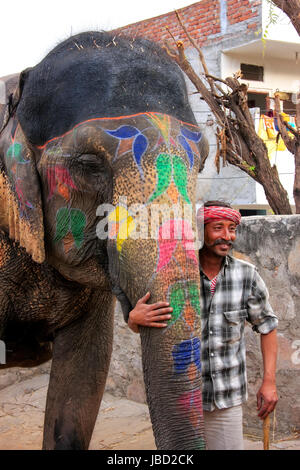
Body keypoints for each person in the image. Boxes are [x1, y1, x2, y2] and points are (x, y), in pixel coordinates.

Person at [128, 200, 278, 450]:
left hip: (225, 400)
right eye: (218, 227)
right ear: (200, 230)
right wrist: (134, 320)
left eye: (232, 229)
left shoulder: (247, 276)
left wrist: (269, 381)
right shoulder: (171, 275)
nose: (227, 236)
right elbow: (145, 325)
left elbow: (268, 327)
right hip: (180, 398)